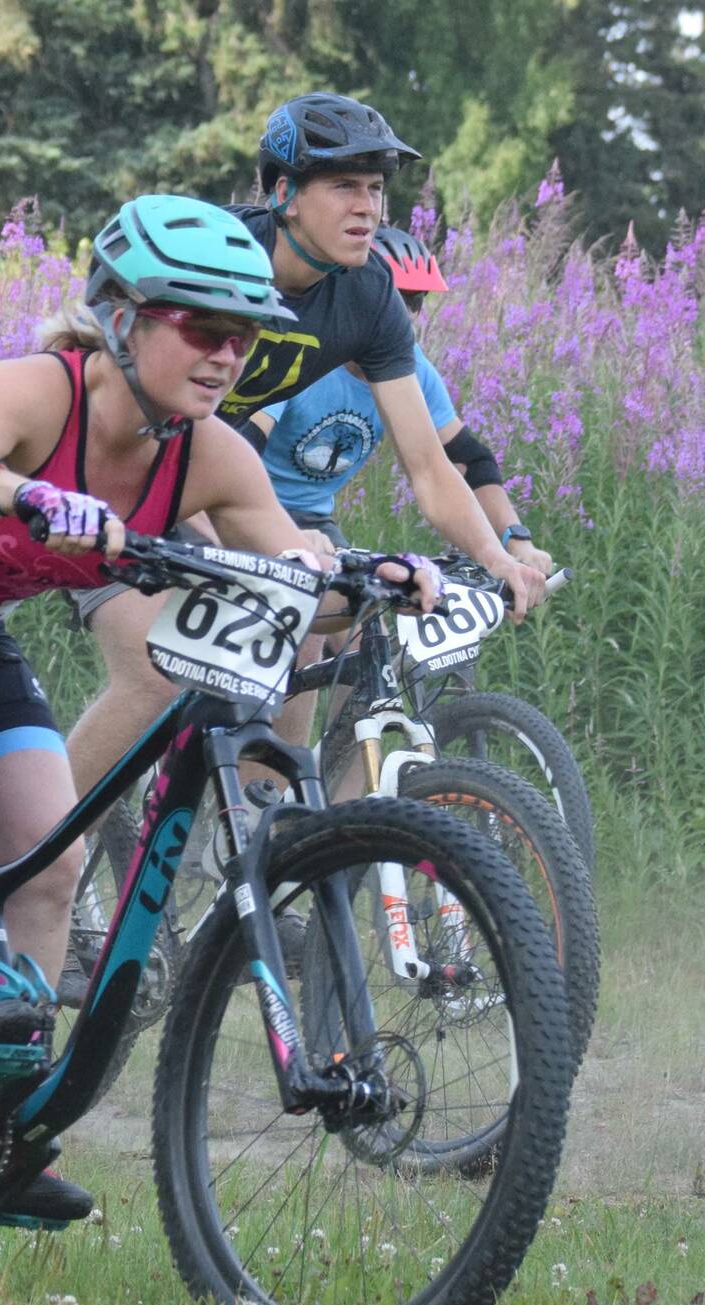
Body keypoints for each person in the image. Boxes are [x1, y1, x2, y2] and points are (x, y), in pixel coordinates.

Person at [0, 194, 439, 1221]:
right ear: (119, 319)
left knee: (50, 858)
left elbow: (292, 559)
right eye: (201, 329)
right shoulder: (42, 390)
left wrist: (372, 573)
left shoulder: (205, 451)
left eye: (243, 339)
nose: (224, 357)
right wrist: (20, 494)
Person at [61, 94, 548, 800]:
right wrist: (249, 548)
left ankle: (261, 855)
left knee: (310, 631)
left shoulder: (371, 295)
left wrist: (499, 557)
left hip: (208, 478)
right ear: (282, 192)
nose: (369, 208)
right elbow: (142, 405)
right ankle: (26, 867)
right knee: (155, 675)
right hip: (109, 472)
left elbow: (431, 464)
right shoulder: (219, 256)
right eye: (345, 186)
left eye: (377, 188)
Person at [245, 225, 556, 775]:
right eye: (396, 299)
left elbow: (464, 461)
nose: (405, 316)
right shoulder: (313, 355)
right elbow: (242, 448)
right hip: (250, 505)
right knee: (304, 630)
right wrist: (286, 538)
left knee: (370, 642)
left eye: (415, 303)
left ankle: (332, 820)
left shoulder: (406, 367)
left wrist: (514, 544)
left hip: (318, 518)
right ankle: (271, 792)